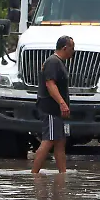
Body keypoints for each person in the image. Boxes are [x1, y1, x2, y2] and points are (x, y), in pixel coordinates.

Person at [32, 35, 75, 174]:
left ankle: (63, 173)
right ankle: (34, 174)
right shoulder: (53, 62)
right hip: (50, 109)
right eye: (72, 48)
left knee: (60, 141)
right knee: (49, 140)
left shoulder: (59, 62)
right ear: (65, 48)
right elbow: (50, 84)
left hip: (57, 111)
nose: (73, 51)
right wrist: (62, 103)